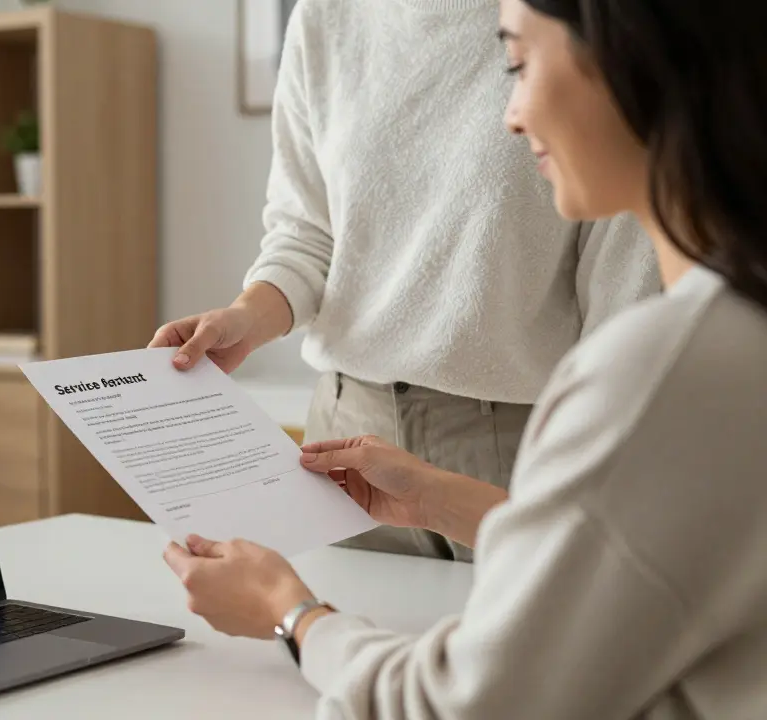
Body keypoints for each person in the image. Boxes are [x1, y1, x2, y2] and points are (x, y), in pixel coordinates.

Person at [163, 0, 767, 716]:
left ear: (629, 59)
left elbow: (464, 703)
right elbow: (304, 229)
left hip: (521, 430)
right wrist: (443, 499)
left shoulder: (657, 375)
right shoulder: (729, 334)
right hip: (360, 438)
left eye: (517, 64)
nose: (512, 115)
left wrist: (287, 612)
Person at [150, 0, 660, 562]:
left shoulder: (574, 20)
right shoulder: (324, 18)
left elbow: (625, 301)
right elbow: (306, 232)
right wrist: (245, 318)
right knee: (322, 639)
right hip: (343, 436)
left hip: (515, 446)